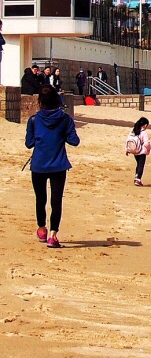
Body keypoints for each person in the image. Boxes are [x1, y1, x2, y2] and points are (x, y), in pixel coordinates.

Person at [26, 86, 80, 248]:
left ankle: (42, 228)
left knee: (40, 198)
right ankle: (52, 235)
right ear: (57, 99)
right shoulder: (65, 119)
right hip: (58, 165)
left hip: (39, 165)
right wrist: (61, 134)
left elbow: (29, 143)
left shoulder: (34, 120)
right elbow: (74, 141)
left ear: (40, 101)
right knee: (56, 201)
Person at [126, 118, 151, 186]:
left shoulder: (133, 131)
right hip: (142, 151)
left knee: (138, 164)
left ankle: (136, 177)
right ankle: (138, 179)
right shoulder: (144, 133)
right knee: (141, 165)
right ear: (145, 125)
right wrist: (149, 149)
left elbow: (129, 140)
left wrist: (127, 149)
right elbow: (147, 143)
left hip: (135, 151)